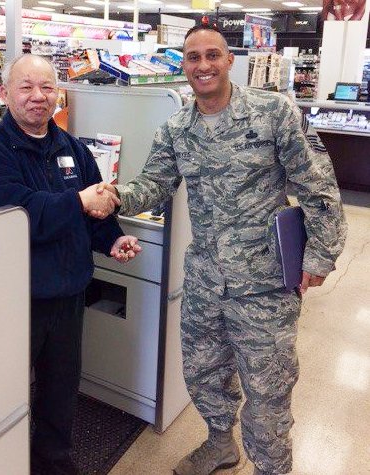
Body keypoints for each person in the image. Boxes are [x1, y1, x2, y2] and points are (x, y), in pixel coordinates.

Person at [97, 25, 347, 475]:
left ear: (229, 59)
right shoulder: (177, 128)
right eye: (193, 58)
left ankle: (271, 468)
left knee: (268, 390)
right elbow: (155, 184)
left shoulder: (274, 112)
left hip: (265, 284)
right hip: (206, 280)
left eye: (212, 55)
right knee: (204, 374)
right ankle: (219, 446)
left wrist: (321, 256)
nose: (203, 65)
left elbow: (318, 186)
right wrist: (115, 196)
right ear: (184, 66)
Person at [0, 54, 141, 475]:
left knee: (60, 390)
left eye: (46, 87)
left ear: (57, 93)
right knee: (4, 392)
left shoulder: (73, 148)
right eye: (26, 87)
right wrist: (78, 200)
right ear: (5, 92)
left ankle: (53, 463)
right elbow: (22, 213)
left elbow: (94, 210)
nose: (38, 97)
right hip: (16, 298)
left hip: (67, 293)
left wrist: (113, 237)